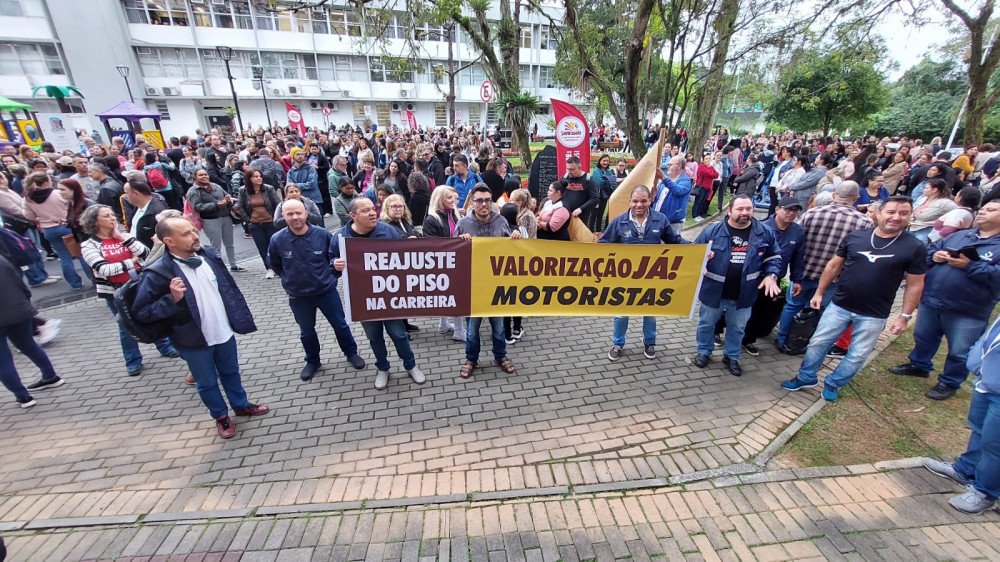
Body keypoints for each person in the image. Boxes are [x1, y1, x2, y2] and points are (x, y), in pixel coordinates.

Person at [133, 217, 269, 439]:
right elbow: (143, 312)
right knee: (206, 382)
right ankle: (221, 417)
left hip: (223, 332)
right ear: (169, 241)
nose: (195, 236)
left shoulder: (208, 255)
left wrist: (239, 317)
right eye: (186, 234)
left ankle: (241, 405)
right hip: (193, 340)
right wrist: (171, 299)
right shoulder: (158, 272)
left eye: (193, 230)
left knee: (231, 372)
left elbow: (228, 289)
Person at [781, 196, 927, 401]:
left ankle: (833, 383)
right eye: (891, 212)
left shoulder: (914, 247)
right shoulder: (857, 236)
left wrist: (904, 316)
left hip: (874, 313)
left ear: (910, 216)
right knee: (817, 343)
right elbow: (833, 265)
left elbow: (915, 284)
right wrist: (819, 293)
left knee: (857, 354)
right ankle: (806, 377)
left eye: (903, 213)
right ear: (878, 213)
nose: (896, 217)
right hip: (839, 305)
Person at [891, 200, 1000, 400]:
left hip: (968, 309)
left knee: (959, 349)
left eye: (991, 210)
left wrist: (970, 266)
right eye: (983, 208)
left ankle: (949, 382)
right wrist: (935, 256)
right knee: (924, 336)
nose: (983, 212)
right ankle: (919, 364)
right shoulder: (960, 235)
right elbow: (929, 252)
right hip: (933, 299)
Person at [330, 198, 425, 390]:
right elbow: (330, 263)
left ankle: (411, 365)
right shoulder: (340, 237)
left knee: (399, 335)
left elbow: (404, 259)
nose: (373, 213)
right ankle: (383, 368)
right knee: (374, 337)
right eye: (366, 211)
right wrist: (335, 265)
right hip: (363, 299)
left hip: (389, 296)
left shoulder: (387, 231)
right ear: (353, 216)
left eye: (373, 209)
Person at [268, 199, 366, 382]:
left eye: (298, 213)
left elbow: (334, 258)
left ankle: (351, 353)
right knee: (307, 331)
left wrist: (331, 276)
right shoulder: (277, 239)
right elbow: (275, 265)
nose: (295, 217)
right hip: (298, 296)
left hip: (326, 292)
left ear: (306, 213)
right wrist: (291, 279)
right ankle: (313, 361)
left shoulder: (323, 235)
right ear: (283, 217)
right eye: (290, 214)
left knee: (340, 325)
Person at [79, 204, 179, 376]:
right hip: (116, 291)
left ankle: (164, 346)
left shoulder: (123, 236)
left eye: (112, 214)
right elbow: (105, 270)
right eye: (106, 216)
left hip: (139, 284)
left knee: (153, 316)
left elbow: (146, 254)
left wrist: (124, 240)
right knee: (126, 325)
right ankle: (132, 360)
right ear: (95, 221)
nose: (112, 218)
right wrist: (132, 262)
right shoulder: (89, 245)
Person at [775, 181, 873, 352]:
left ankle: (783, 339)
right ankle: (804, 342)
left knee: (792, 306)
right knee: (819, 311)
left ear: (834, 195)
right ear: (856, 198)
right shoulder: (864, 222)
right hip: (834, 278)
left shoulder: (811, 214)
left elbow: (796, 241)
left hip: (804, 271)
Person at [691, 194, 783, 376]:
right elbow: (694, 252)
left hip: (744, 294)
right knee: (706, 324)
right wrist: (700, 261)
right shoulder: (712, 231)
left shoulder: (763, 232)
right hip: (714, 292)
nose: (745, 213)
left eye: (748, 209)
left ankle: (732, 356)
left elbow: (774, 257)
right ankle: (703, 352)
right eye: (740, 209)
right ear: (730, 210)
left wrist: (771, 275)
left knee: (737, 328)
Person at [922, 311, 1000, 514]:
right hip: (987, 383)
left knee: (995, 445)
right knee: (979, 429)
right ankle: (965, 469)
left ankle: (984, 493)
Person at [601, 185, 689, 361]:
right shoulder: (619, 221)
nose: (639, 204)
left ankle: (650, 342)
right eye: (635, 201)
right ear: (629, 202)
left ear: (650, 200)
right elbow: (604, 244)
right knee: (621, 313)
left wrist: (699, 248)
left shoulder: (661, 219)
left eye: (643, 201)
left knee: (650, 312)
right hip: (624, 279)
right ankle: (618, 343)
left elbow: (675, 241)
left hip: (651, 279)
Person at [455, 184, 521, 379]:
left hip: (496, 286)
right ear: (472, 203)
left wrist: (516, 237)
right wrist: (460, 242)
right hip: (473, 287)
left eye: (487, 200)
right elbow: (450, 254)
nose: (484, 204)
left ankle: (501, 356)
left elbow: (511, 252)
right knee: (472, 330)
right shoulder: (463, 224)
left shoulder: (501, 221)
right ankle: (471, 359)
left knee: (499, 327)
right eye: (479, 200)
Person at [740, 197, 806, 356]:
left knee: (760, 311)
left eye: (795, 211)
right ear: (777, 209)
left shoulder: (798, 232)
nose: (791, 214)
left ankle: (748, 340)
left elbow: (798, 258)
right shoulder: (761, 227)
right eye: (788, 210)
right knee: (737, 306)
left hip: (773, 280)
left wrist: (797, 280)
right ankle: (718, 329)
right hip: (752, 277)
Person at [0, 254, 64, 409]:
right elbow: (17, 279)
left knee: (2, 358)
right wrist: (26, 301)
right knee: (28, 345)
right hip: (20, 309)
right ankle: (50, 376)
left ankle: (23, 396)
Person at [22, 172, 91, 290]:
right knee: (81, 255)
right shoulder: (58, 193)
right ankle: (93, 279)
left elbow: (29, 216)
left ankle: (75, 284)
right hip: (67, 226)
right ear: (45, 182)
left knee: (64, 257)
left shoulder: (27, 198)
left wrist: (40, 218)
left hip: (48, 230)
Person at [422, 185, 465, 342]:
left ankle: (443, 324)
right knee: (455, 297)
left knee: (448, 295)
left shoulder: (454, 214)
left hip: (455, 262)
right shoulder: (432, 219)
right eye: (449, 198)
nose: (454, 201)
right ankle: (459, 331)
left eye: (455, 198)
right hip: (442, 264)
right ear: (439, 199)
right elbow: (431, 244)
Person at [186, 168, 243, 271]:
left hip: (226, 217)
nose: (204, 176)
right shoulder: (193, 191)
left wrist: (227, 200)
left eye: (205, 174)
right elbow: (197, 207)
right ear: (195, 178)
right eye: (201, 175)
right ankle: (219, 268)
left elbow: (227, 195)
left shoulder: (216, 186)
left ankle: (234, 265)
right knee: (215, 246)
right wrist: (216, 205)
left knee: (230, 243)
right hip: (210, 220)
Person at [237, 169, 282, 279]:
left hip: (270, 222)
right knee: (262, 248)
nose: (259, 178)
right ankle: (269, 268)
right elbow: (241, 207)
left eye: (260, 176)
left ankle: (279, 267)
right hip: (255, 224)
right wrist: (248, 220)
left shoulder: (268, 188)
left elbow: (277, 204)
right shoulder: (243, 190)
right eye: (255, 176)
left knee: (274, 246)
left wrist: (275, 218)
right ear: (249, 179)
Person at [504, 188, 536, 344]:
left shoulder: (501, 231)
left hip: (505, 272)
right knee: (516, 301)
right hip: (518, 271)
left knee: (505, 305)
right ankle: (517, 329)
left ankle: (507, 334)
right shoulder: (520, 229)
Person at [652, 156, 693, 234]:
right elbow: (658, 199)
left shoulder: (685, 181)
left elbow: (677, 190)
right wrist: (653, 195)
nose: (667, 167)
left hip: (673, 224)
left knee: (668, 246)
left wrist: (663, 178)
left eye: (670, 165)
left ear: (679, 166)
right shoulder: (666, 180)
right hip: (657, 221)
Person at [123, 179, 168, 249]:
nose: (125, 196)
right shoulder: (137, 206)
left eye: (126, 193)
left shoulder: (157, 212)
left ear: (136, 194)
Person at [563, 156, 599, 227]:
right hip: (566, 215)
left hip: (581, 217)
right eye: (567, 169)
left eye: (572, 169)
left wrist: (581, 209)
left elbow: (595, 199)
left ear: (579, 167)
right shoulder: (565, 177)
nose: (569, 172)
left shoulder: (588, 179)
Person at [590, 154, 617, 232]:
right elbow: (600, 183)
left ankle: (598, 232)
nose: (605, 162)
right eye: (604, 160)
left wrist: (608, 179)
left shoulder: (608, 171)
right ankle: (590, 232)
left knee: (600, 215)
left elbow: (613, 180)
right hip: (596, 196)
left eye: (607, 161)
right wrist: (609, 179)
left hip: (604, 196)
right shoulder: (596, 171)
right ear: (600, 161)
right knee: (593, 215)